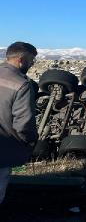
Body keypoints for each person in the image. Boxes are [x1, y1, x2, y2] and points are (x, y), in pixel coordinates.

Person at [0, 42, 38, 205]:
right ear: (21, 59)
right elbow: (23, 123)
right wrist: (29, 142)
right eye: (32, 60)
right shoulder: (21, 84)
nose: (32, 64)